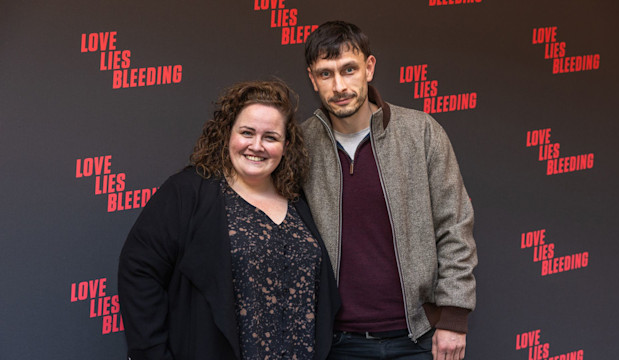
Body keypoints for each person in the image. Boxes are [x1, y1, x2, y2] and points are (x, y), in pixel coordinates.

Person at [118, 80, 340, 360]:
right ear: (227, 134)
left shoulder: (297, 201)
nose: (256, 146)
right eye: (247, 132)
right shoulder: (188, 192)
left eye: (270, 137)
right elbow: (138, 270)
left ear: (286, 145)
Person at [300, 21, 477, 360]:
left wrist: (454, 317)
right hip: (336, 343)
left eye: (348, 69)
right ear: (312, 79)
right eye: (326, 74)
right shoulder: (301, 145)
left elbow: (454, 226)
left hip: (418, 338)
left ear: (369, 68)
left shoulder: (421, 132)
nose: (339, 85)